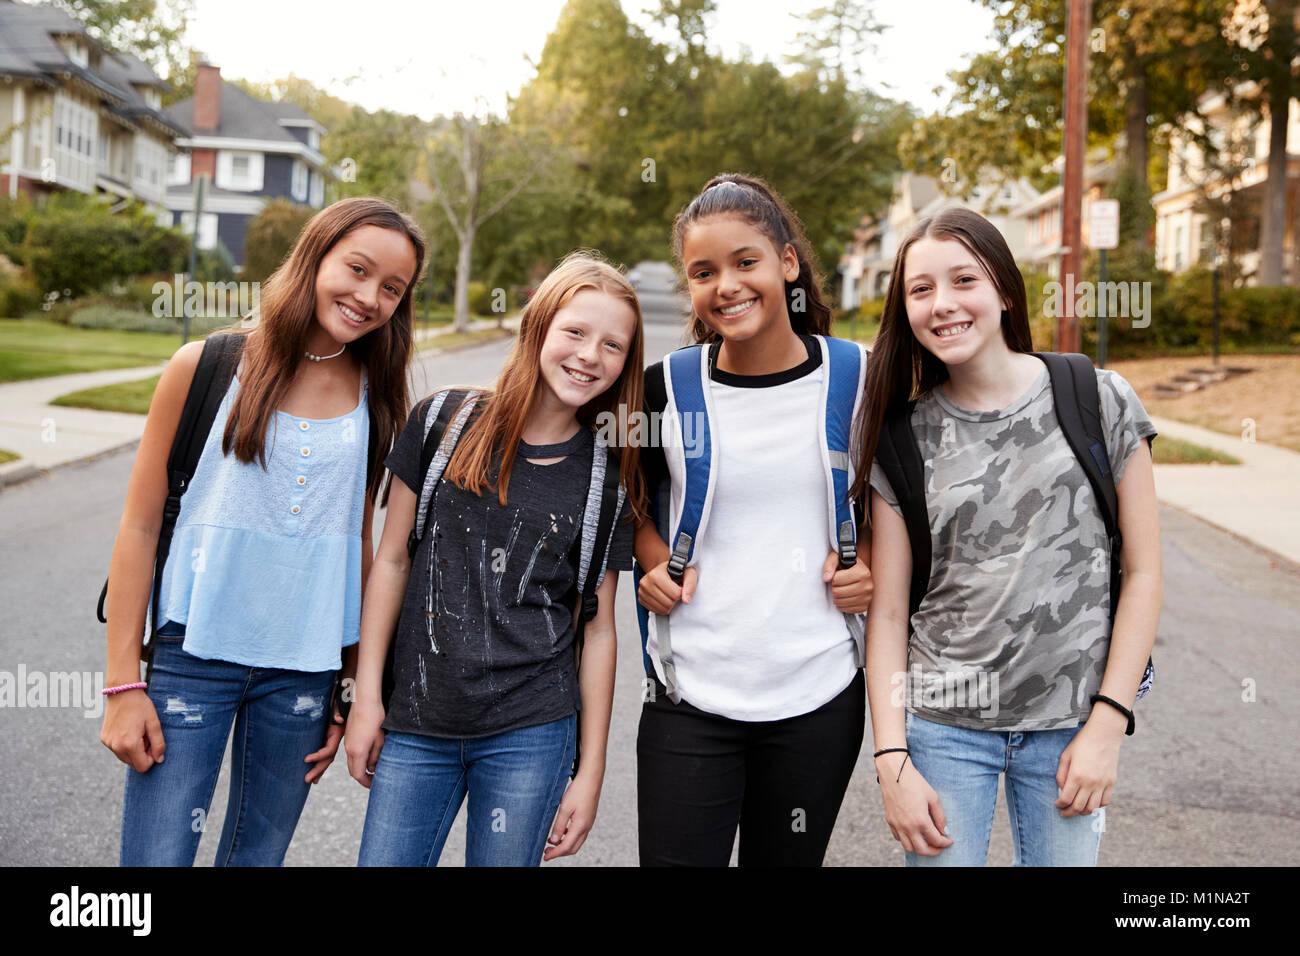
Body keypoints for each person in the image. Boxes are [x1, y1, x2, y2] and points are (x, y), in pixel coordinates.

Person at [101, 197, 425, 866]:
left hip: (302, 673)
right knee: (155, 859)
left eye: (392, 288)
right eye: (357, 269)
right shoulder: (204, 367)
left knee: (258, 858)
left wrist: (349, 685)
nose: (369, 296)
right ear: (314, 258)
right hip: (193, 654)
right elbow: (137, 528)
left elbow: (358, 544)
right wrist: (121, 686)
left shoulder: (379, 398)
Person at [855, 207, 1161, 866]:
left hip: (1071, 727)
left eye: (963, 280)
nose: (943, 305)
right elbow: (886, 611)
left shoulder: (1098, 399)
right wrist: (891, 757)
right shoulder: (902, 435)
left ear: (1003, 287)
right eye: (920, 290)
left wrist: (1108, 723)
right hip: (943, 728)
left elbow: (1142, 575)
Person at [348, 251, 645, 867]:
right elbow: (393, 561)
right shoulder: (443, 421)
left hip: (531, 732)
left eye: (613, 346)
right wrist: (366, 696)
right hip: (416, 723)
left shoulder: (606, 480)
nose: (590, 355)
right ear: (537, 328)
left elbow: (598, 628)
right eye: (575, 332)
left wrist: (590, 773)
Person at [634, 173, 873, 867]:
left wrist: (874, 565)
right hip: (690, 695)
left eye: (746, 262)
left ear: (787, 263)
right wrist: (654, 560)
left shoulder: (858, 378)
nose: (727, 285)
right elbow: (636, 506)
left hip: (817, 695)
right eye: (703, 272)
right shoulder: (667, 388)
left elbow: (894, 504)